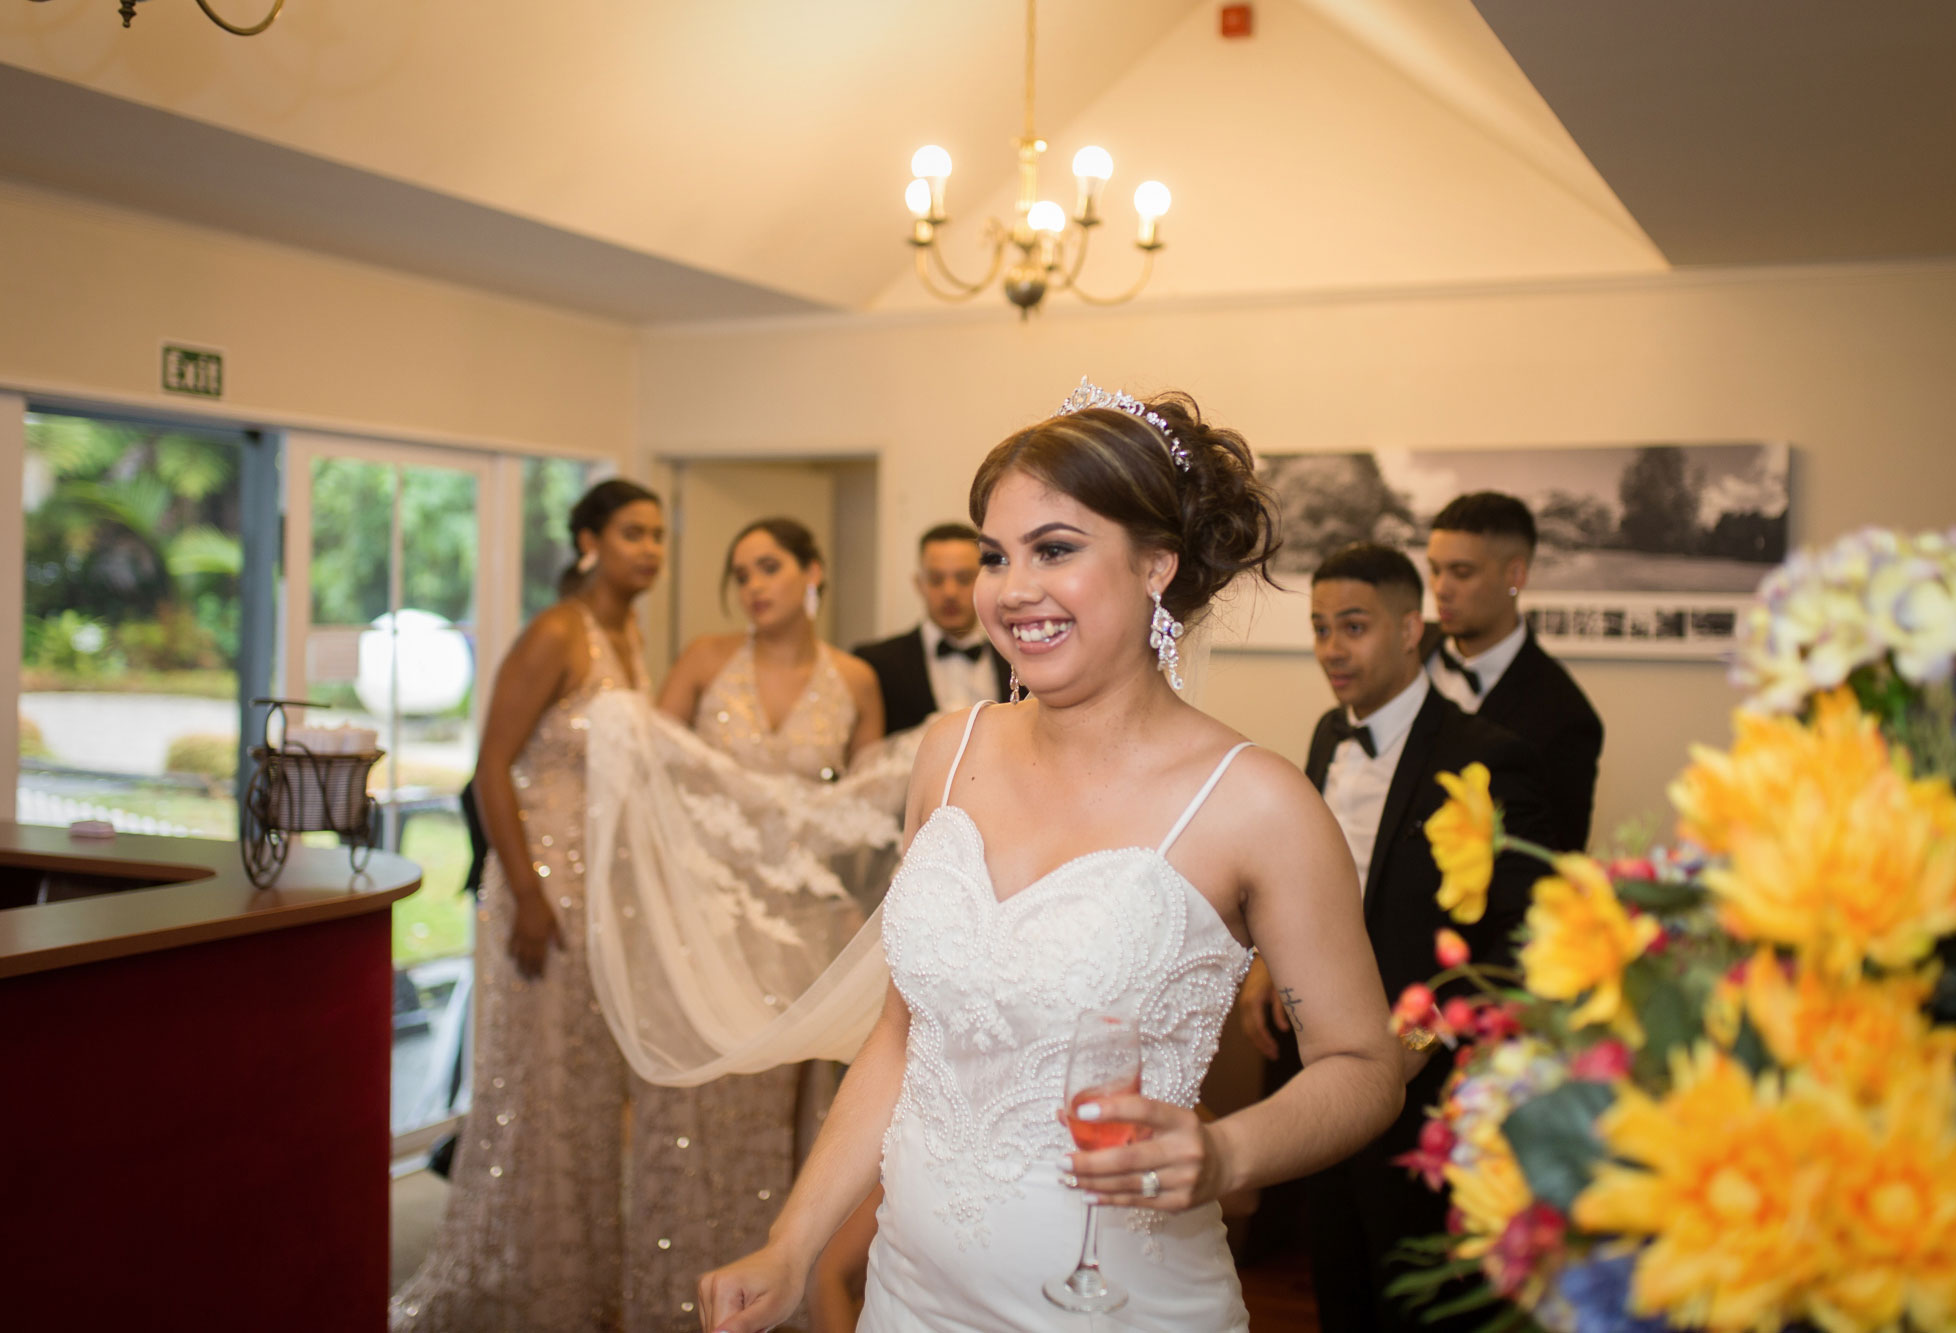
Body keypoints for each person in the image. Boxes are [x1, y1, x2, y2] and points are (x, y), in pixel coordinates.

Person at [698, 383, 1406, 1333]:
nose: (1010, 588)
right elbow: (905, 1038)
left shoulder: (1258, 802)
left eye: (1056, 550)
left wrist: (1227, 1154)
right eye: (997, 554)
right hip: (909, 1299)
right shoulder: (948, 752)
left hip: (1121, 1306)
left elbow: (1364, 1064)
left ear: (1156, 564)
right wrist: (795, 1242)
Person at [1240, 541, 1548, 1333]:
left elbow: (1512, 940)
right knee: (1334, 1261)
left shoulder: (1488, 757)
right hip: (1317, 1049)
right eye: (1318, 628)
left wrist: (1420, 1041)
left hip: (1424, 1074)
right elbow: (1296, 881)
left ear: (1411, 627)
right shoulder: (1322, 735)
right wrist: (1266, 963)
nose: (1331, 650)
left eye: (1353, 626)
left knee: (1416, 1284)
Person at [391, 478, 667, 1332]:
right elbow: (491, 769)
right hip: (541, 889)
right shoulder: (555, 632)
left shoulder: (632, 631)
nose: (651, 548)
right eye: (632, 533)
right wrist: (531, 896)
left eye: (659, 534)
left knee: (588, 1097)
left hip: (603, 898)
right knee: (538, 1093)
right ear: (588, 539)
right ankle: (529, 1279)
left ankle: (581, 1276)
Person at [627, 515, 887, 1327]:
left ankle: (778, 1284)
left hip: (804, 933)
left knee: (790, 1114)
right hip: (708, 926)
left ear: (813, 571)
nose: (754, 586)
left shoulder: (855, 678)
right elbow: (649, 775)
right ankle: (683, 1298)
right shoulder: (706, 659)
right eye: (740, 573)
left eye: (769, 566)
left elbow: (871, 818)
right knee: (701, 1114)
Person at [1425, 491, 1604, 851]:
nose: (1440, 589)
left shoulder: (1565, 715)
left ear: (1516, 575)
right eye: (1434, 569)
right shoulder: (1405, 654)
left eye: (1461, 572)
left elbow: (1553, 863)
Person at [854, 522, 1010, 736]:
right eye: (936, 580)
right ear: (919, 584)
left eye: (964, 579)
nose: (950, 592)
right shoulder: (874, 663)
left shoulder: (1016, 656)